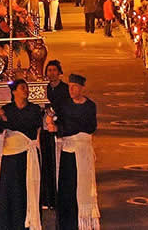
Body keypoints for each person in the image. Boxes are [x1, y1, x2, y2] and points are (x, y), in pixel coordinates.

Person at [47, 74, 100, 230]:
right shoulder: (63, 105)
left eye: (74, 86)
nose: (71, 89)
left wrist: (63, 128)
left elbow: (89, 126)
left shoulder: (90, 106)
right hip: (68, 153)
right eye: (69, 86)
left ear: (81, 88)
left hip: (83, 152)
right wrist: (52, 121)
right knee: (67, 188)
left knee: (82, 186)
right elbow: (53, 116)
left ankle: (83, 221)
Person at [0, 79, 43, 230]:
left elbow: (31, 126)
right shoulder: (7, 108)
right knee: (10, 191)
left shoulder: (34, 109)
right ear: (14, 92)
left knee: (27, 189)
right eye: (22, 88)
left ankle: (28, 223)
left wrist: (8, 121)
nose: (25, 90)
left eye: (26, 88)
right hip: (11, 157)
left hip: (27, 154)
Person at [41, 60, 69, 210]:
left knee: (58, 163)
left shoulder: (64, 89)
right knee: (46, 163)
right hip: (45, 130)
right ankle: (47, 198)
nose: (51, 73)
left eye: (54, 70)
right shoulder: (43, 89)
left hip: (59, 131)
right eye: (49, 70)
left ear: (59, 72)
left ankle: (59, 197)